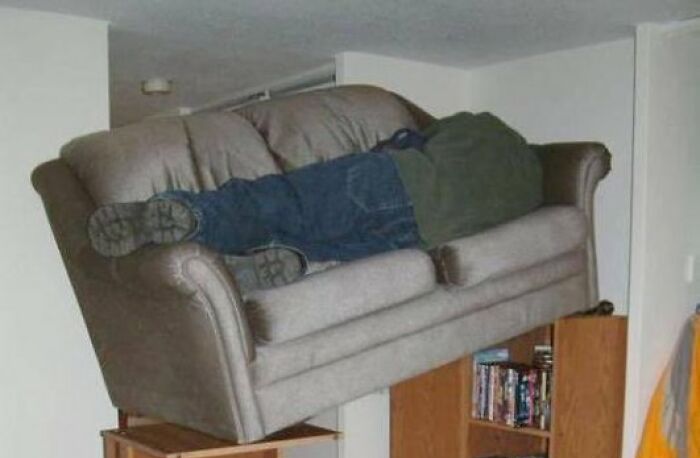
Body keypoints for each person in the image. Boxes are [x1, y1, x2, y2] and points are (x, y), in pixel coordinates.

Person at [88, 111, 543, 288]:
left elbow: (411, 139)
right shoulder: (532, 197)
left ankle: (189, 215)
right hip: (419, 237)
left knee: (273, 202)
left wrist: (393, 146)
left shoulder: (485, 124)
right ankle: (277, 262)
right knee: (325, 248)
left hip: (393, 182)